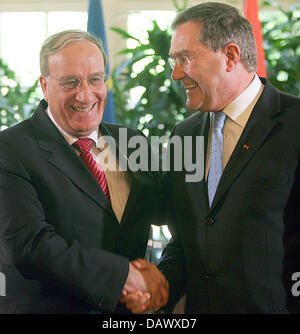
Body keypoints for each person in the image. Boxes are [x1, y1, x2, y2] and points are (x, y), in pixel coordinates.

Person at [122, 2, 300, 314]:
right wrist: (161, 284)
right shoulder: (184, 135)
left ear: (230, 56)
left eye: (185, 59)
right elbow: (185, 240)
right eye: (174, 61)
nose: (176, 74)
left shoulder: (295, 124)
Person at [0, 29, 168, 314]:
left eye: (95, 80)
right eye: (70, 82)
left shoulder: (132, 141)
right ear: (44, 84)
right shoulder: (11, 149)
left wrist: (157, 278)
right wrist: (124, 278)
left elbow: (171, 212)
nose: (85, 94)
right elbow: (29, 245)